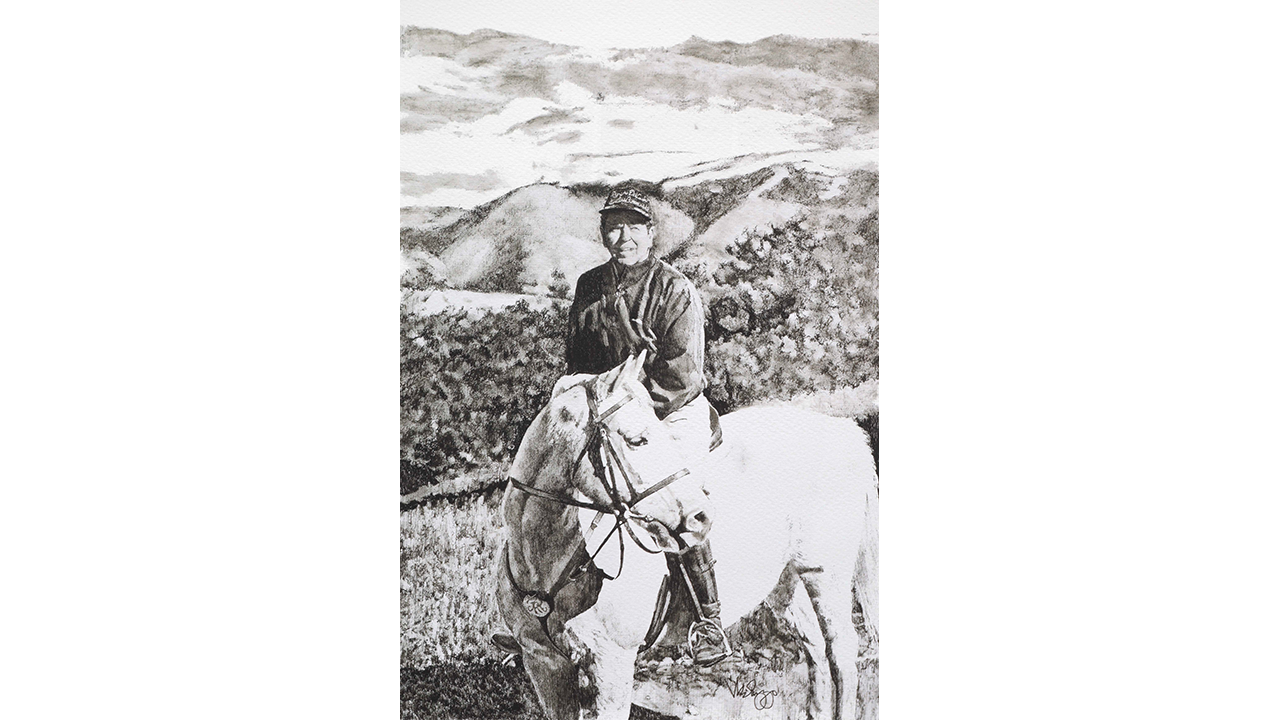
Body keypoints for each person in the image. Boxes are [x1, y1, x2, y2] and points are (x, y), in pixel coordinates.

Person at [566, 183, 731, 666]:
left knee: (680, 502)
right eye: (613, 226)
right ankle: (546, 612)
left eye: (633, 226)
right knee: (557, 483)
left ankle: (707, 622)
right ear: (603, 233)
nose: (623, 236)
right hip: (609, 414)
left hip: (670, 411)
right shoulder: (588, 286)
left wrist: (625, 407)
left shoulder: (675, 289)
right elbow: (576, 362)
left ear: (650, 232)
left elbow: (681, 375)